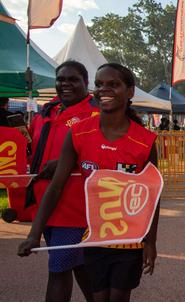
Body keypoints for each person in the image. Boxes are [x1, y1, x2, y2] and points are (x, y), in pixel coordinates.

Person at [19, 63, 160, 302]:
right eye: (100, 84)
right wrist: (34, 234)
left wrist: (150, 241)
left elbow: (152, 196)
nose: (104, 89)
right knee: (96, 294)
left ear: (130, 92)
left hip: (126, 240)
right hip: (91, 237)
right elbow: (56, 186)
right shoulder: (79, 133)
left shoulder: (145, 141)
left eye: (113, 84)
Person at [25, 60, 99, 302]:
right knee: (79, 266)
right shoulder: (47, 111)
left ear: (85, 84)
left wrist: (69, 162)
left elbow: (108, 150)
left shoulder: (97, 113)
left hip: (75, 207)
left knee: (59, 268)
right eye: (61, 80)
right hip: (46, 204)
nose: (65, 84)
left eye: (73, 80)